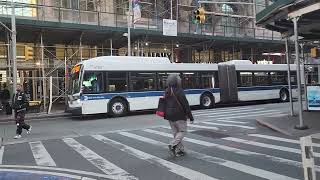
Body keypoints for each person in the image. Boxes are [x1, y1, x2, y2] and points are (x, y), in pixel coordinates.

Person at [164, 74, 194, 157]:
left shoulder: (167, 90)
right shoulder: (179, 91)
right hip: (179, 115)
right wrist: (191, 117)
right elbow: (185, 105)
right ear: (176, 81)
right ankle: (172, 144)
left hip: (169, 115)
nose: (180, 79)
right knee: (182, 131)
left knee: (176, 133)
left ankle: (180, 150)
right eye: (179, 79)